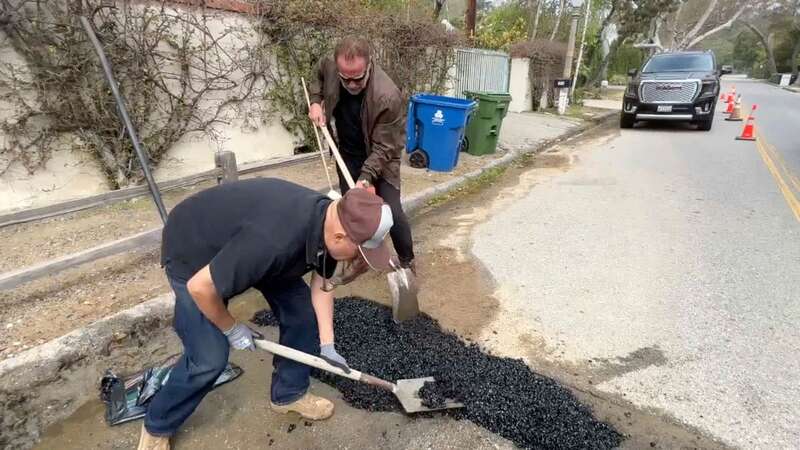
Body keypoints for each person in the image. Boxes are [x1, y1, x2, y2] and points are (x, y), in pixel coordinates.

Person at [137, 178, 394, 450]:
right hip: (194, 250)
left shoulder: (330, 218)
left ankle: (289, 394)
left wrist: (327, 344)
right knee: (209, 357)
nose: (358, 262)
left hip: (249, 247)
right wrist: (231, 328)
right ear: (339, 237)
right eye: (359, 255)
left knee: (303, 318)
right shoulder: (274, 242)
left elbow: (322, 281)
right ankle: (157, 425)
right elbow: (200, 288)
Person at [308, 36, 416, 273]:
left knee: (391, 211)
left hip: (381, 155)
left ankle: (407, 262)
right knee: (352, 214)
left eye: (358, 78)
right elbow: (318, 74)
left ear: (369, 65)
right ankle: (359, 257)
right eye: (344, 78)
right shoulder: (331, 65)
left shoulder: (388, 95)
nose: (351, 84)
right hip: (346, 152)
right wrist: (316, 101)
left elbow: (386, 147)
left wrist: (365, 178)